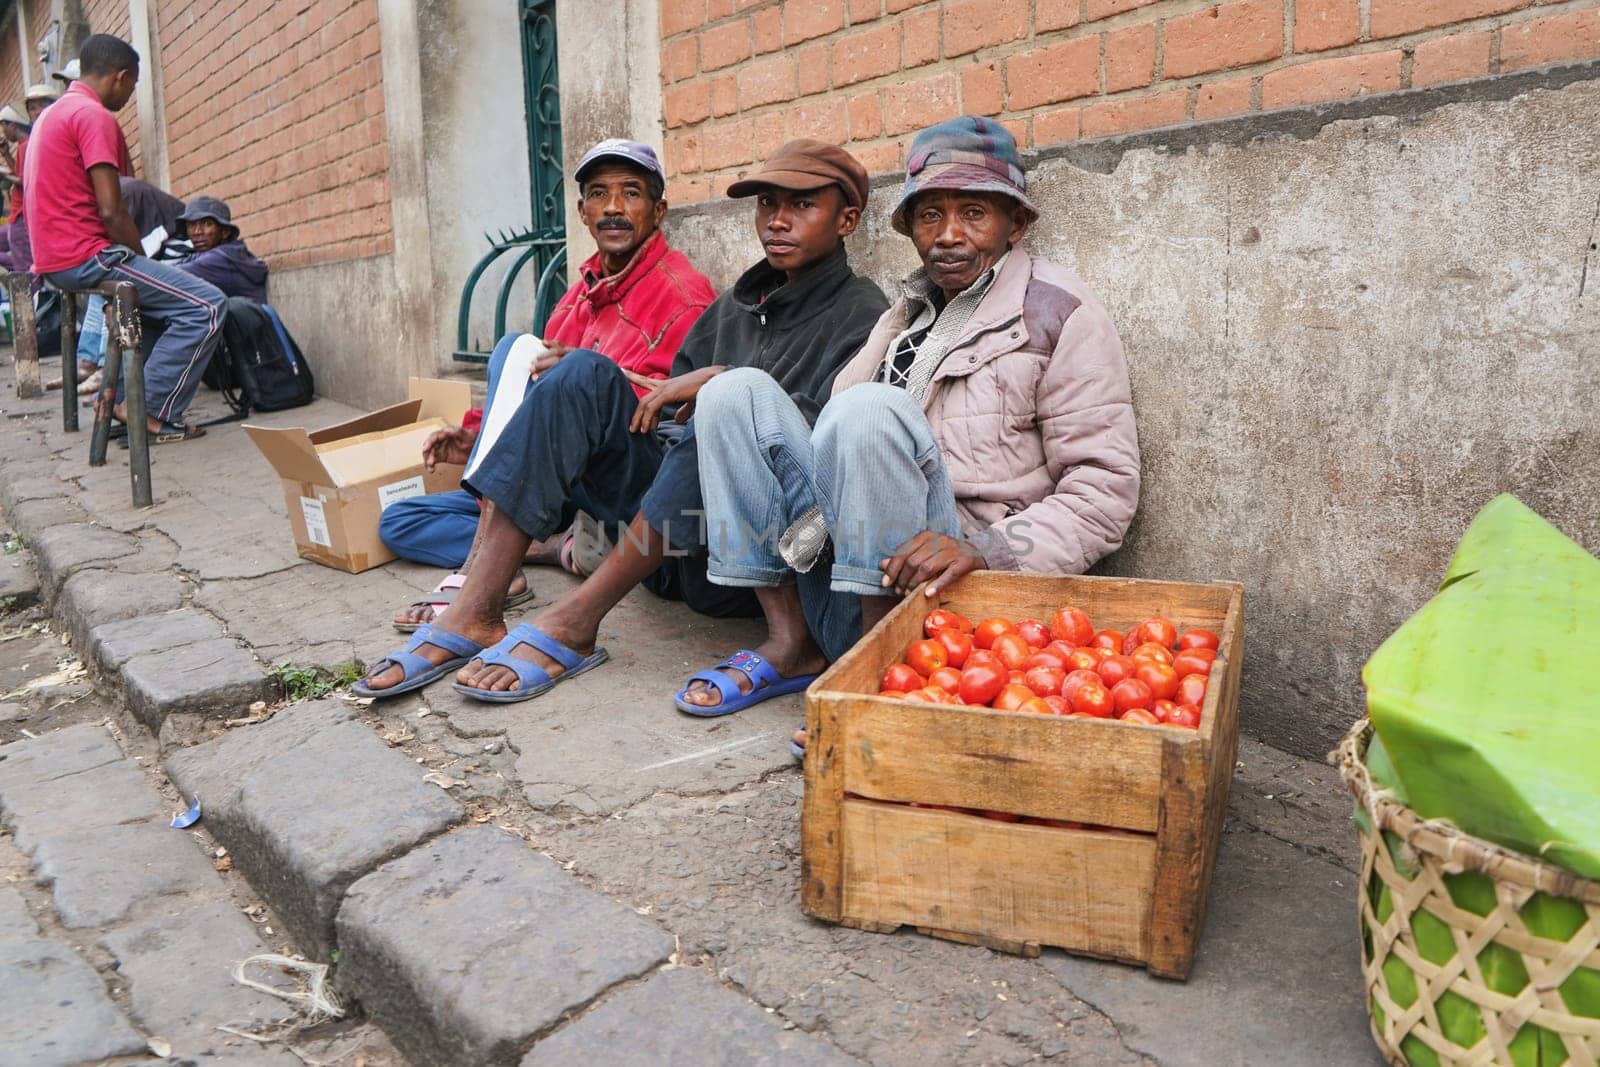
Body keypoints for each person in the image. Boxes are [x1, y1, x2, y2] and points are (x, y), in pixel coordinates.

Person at [354, 139, 889, 701]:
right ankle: (477, 608)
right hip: (672, 545)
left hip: (758, 549)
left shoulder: (863, 314)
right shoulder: (733, 306)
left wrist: (715, 381)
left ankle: (578, 618)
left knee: (719, 413)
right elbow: (660, 420)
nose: (777, 221)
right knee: (580, 372)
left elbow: (815, 454)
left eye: (801, 206)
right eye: (766, 205)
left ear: (847, 219)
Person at [682, 117, 1141, 745]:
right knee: (733, 393)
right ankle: (793, 642)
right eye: (930, 216)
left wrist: (990, 549)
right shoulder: (906, 312)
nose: (948, 235)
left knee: (869, 409)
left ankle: (882, 671)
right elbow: (834, 440)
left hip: (958, 593)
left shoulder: (1060, 313)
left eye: (974, 213)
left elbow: (1104, 491)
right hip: (853, 566)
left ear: (1017, 224)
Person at [378, 139, 714, 630]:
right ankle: (547, 547)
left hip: (618, 481)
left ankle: (485, 571)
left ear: (658, 210)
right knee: (400, 522)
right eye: (599, 194)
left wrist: (595, 371)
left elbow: (668, 421)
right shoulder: (579, 294)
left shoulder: (683, 294)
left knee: (562, 364)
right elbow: (532, 384)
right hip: (558, 486)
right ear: (582, 212)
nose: (614, 208)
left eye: (631, 194)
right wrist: (475, 436)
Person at [24, 34, 225, 443]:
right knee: (208, 307)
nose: (130, 95)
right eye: (132, 87)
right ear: (122, 76)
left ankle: (117, 398)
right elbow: (112, 211)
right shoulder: (93, 116)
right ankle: (148, 410)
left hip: (54, 261)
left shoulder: (51, 115)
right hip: (86, 256)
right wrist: (139, 258)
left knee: (158, 309)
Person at [174, 196, 267, 301]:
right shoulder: (198, 255)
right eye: (191, 225)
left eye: (207, 224)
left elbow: (170, 276)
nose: (197, 232)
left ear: (225, 232)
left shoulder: (223, 258)